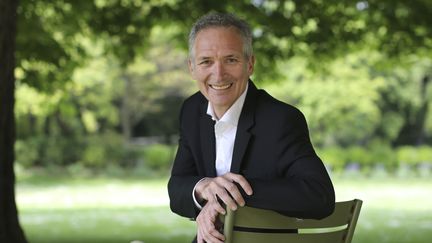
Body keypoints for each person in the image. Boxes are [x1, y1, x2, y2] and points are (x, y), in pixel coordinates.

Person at [168, 12, 335, 243]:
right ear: (192, 68)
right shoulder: (191, 111)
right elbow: (176, 190)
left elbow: (320, 197)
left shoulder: (281, 119)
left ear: (250, 64)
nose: (218, 74)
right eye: (206, 61)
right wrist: (204, 187)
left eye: (231, 60)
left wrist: (225, 197)